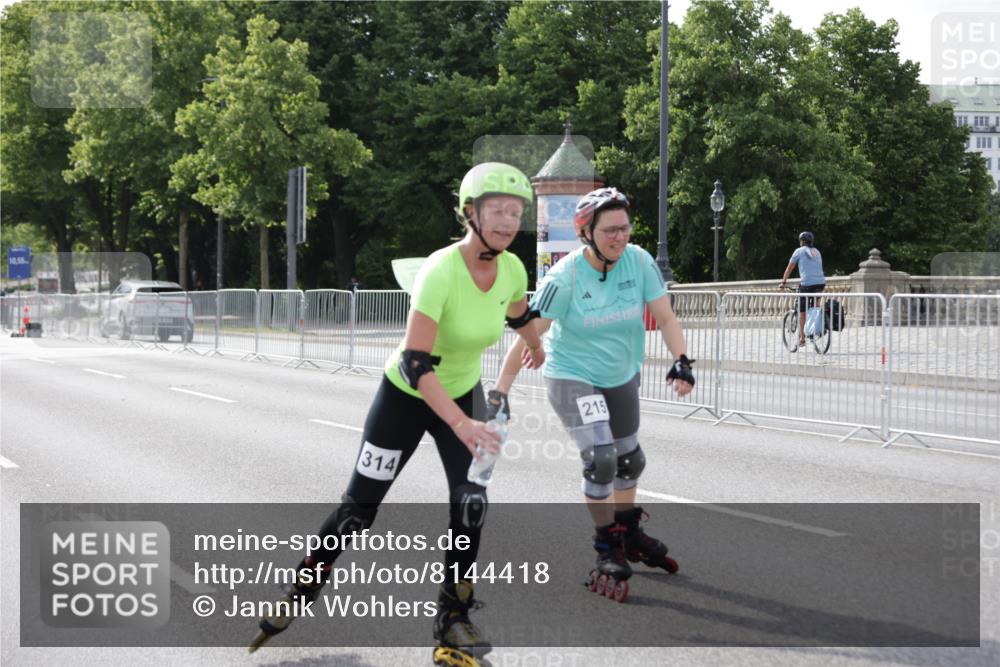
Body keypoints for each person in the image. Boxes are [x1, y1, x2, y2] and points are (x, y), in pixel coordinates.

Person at [250, 163, 545, 661]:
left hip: (463, 394)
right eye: (497, 210)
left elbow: (518, 312)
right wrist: (462, 423)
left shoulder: (512, 268)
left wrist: (534, 341)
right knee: (357, 515)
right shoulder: (440, 270)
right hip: (405, 400)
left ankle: (453, 617)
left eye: (516, 213)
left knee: (471, 504)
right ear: (470, 213)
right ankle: (300, 589)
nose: (508, 221)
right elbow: (414, 365)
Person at [494, 186, 694, 601]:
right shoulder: (563, 278)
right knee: (602, 458)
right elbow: (527, 334)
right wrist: (500, 392)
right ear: (587, 232)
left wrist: (682, 360)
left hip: (621, 374)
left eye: (624, 228)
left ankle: (628, 528)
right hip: (573, 375)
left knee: (630, 459)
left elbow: (666, 316)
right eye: (609, 231)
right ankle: (607, 543)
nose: (619, 237)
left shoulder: (638, 262)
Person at [779, 231, 825, 349]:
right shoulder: (817, 252)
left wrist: (783, 282)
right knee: (815, 307)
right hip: (820, 284)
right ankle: (816, 330)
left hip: (807, 285)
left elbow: (789, 268)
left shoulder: (799, 251)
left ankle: (802, 339)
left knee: (802, 311)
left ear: (802, 241)